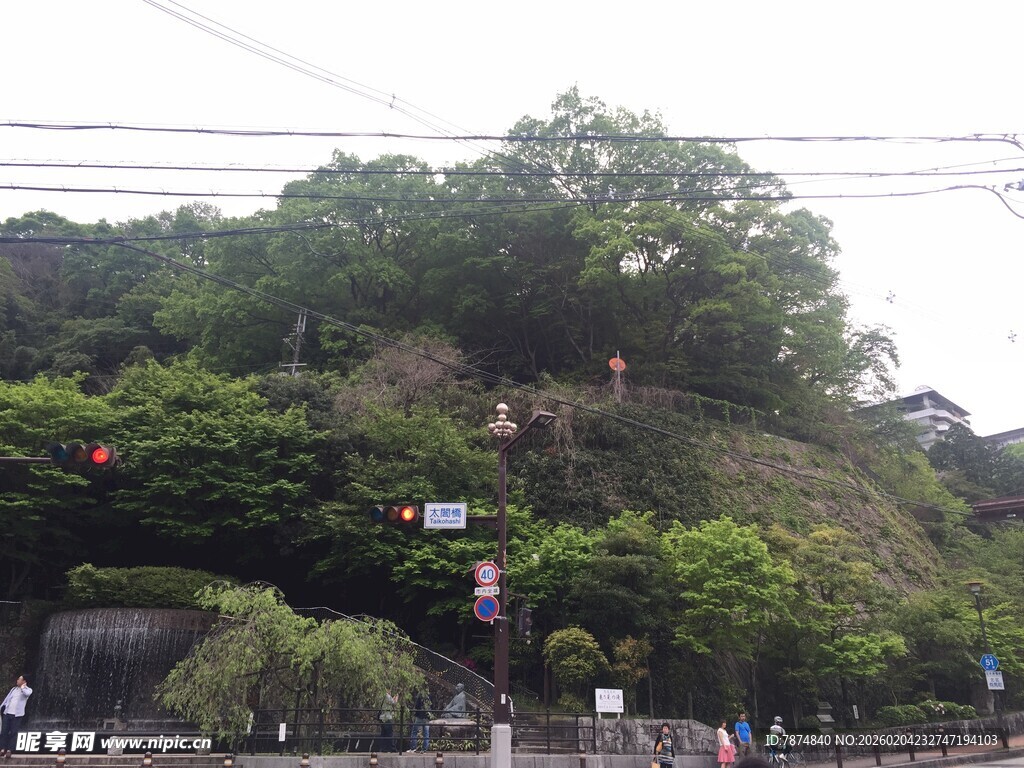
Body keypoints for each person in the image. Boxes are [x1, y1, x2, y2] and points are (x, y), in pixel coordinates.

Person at [0, 676, 32, 758]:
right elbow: (7, 699)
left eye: (19, 679)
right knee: (4, 731)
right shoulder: (13, 689)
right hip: (7, 713)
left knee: (14, 732)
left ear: (24, 681)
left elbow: (27, 694)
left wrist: (22, 687)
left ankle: (10, 750)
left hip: (17, 715)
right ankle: (3, 749)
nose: (17, 680)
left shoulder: (28, 690)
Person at [410, 689, 431, 753]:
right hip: (427, 717)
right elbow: (431, 705)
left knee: (414, 731)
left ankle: (413, 748)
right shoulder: (428, 696)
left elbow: (417, 705)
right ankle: (424, 749)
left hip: (419, 716)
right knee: (426, 734)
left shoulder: (420, 695)